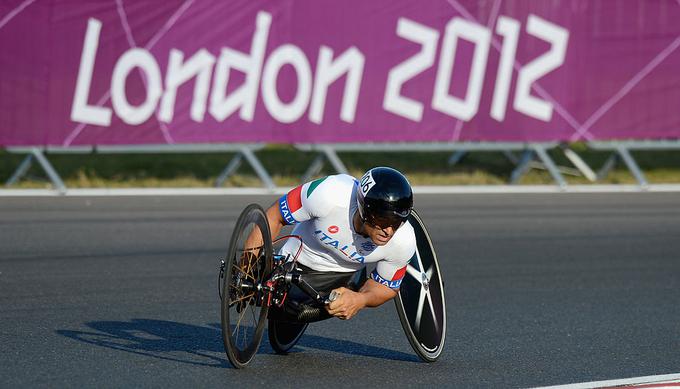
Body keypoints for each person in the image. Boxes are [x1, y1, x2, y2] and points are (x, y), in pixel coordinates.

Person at [262, 166, 417, 322]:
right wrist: (246, 266)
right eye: (383, 221)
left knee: (293, 313)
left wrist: (360, 299)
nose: (389, 231)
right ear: (364, 210)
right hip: (292, 260)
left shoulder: (404, 240)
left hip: (340, 279)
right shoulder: (329, 193)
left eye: (397, 222)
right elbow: (275, 215)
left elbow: (387, 286)